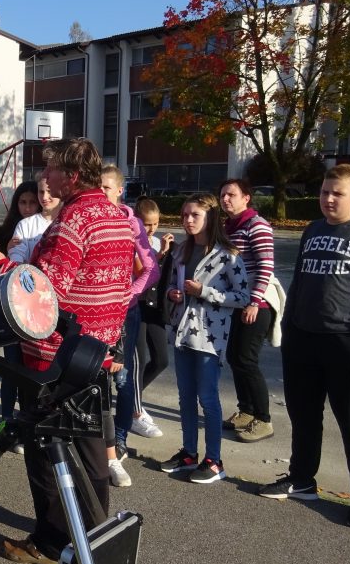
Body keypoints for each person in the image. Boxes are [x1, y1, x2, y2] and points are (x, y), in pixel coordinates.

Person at [0, 138, 133, 564]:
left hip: (53, 356)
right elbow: (124, 284)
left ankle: (50, 543)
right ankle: (92, 537)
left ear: (73, 175)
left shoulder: (72, 221)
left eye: (52, 169)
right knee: (92, 447)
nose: (44, 177)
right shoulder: (116, 216)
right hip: (95, 353)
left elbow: (46, 293)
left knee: (48, 448)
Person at [259, 165, 350, 530]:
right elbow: (301, 281)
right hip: (304, 339)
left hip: (346, 343)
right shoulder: (313, 230)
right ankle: (302, 479)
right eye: (324, 192)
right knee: (304, 417)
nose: (328, 199)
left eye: (337, 193)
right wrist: (289, 327)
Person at [159, 193, 249, 484]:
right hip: (182, 333)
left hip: (210, 336)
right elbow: (173, 284)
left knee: (207, 397)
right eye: (184, 215)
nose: (187, 220)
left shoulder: (228, 255)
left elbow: (243, 297)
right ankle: (189, 452)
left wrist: (205, 292)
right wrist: (173, 293)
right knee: (185, 396)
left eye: (194, 215)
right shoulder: (181, 251)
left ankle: (214, 460)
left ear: (210, 218)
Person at [100, 166, 159, 489]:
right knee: (95, 374)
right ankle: (98, 440)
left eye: (107, 187)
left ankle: (119, 439)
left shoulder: (131, 222)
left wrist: (128, 294)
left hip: (125, 311)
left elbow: (151, 269)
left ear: (120, 190)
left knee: (122, 377)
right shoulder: (92, 218)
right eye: (98, 186)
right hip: (98, 310)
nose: (102, 191)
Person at [219, 179, 280, 443]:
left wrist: (254, 302)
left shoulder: (257, 225)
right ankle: (246, 410)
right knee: (235, 357)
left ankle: (264, 419)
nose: (225, 199)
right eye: (222, 195)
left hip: (257, 304)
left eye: (231, 195)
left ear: (246, 198)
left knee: (246, 360)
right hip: (236, 301)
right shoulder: (228, 227)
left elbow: (266, 266)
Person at [3, 177, 62, 439]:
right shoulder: (27, 225)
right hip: (29, 307)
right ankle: (19, 426)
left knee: (55, 375)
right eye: (41, 192)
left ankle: (52, 427)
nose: (45, 197)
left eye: (50, 192)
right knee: (23, 371)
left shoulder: (68, 223)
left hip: (61, 310)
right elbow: (17, 261)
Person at [134, 198, 172, 395]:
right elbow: (142, 273)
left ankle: (134, 394)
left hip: (154, 305)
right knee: (138, 360)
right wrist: (160, 255)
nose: (151, 229)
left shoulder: (157, 242)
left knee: (161, 360)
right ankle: (133, 403)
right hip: (136, 305)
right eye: (147, 224)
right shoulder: (133, 241)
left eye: (155, 223)